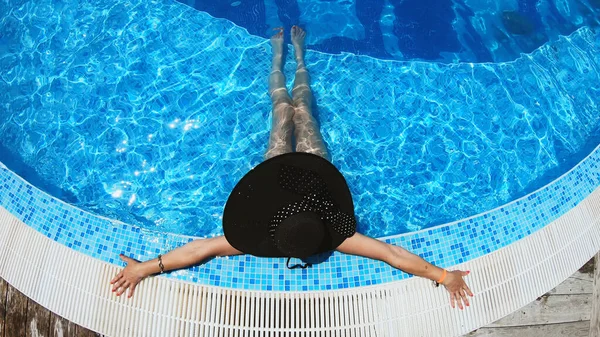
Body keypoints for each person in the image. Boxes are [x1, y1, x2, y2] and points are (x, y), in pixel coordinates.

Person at [111, 26, 473, 309]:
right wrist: (443, 276)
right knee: (296, 107)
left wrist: (144, 268)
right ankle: (292, 56)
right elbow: (393, 256)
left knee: (288, 110)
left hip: (293, 171)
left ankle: (281, 56)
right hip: (300, 169)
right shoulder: (335, 236)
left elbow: (200, 249)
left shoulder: (267, 235)